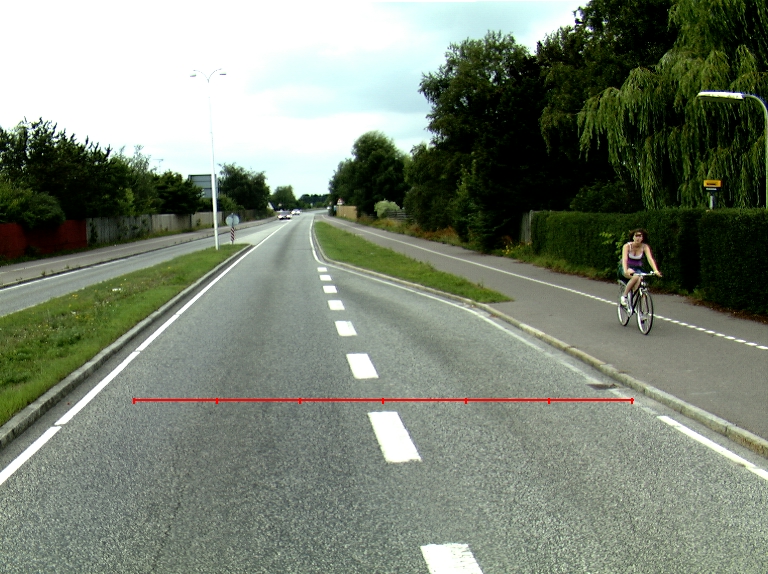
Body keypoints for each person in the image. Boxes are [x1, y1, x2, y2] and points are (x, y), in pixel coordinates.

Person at [619, 228, 662, 310]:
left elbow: (650, 259)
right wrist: (626, 270)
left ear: (643, 238)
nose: (638, 238)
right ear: (633, 237)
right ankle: (624, 296)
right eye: (636, 236)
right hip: (626, 267)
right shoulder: (627, 246)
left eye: (640, 236)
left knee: (640, 282)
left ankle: (639, 307)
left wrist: (655, 270)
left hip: (638, 269)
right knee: (635, 277)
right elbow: (624, 259)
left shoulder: (645, 247)